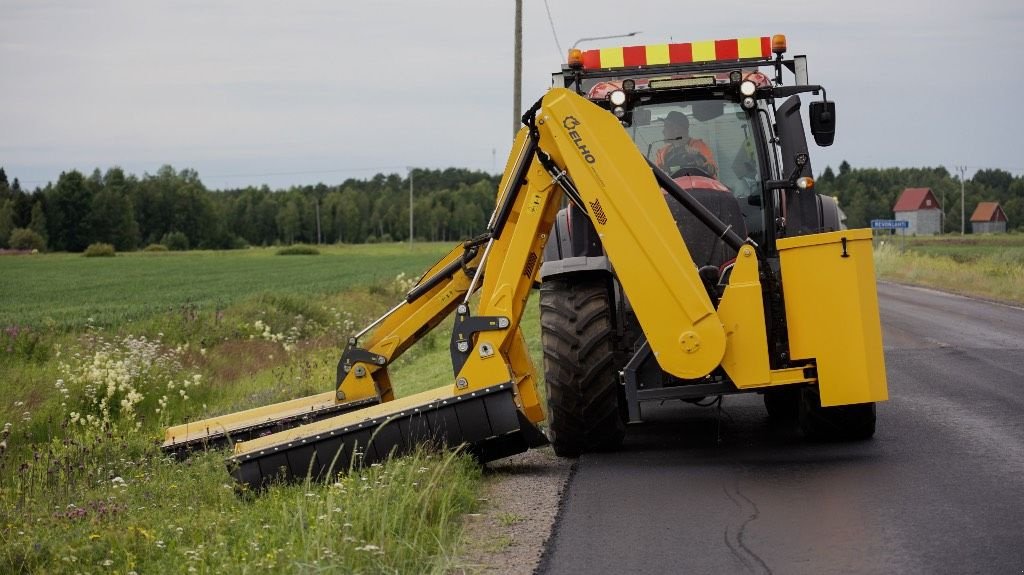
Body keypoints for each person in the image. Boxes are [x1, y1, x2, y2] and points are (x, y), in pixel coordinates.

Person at [655, 111, 718, 179]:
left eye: (666, 127)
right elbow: (656, 176)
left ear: (677, 129)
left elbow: (712, 171)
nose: (663, 131)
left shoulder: (698, 146)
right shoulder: (662, 153)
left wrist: (698, 158)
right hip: (671, 186)